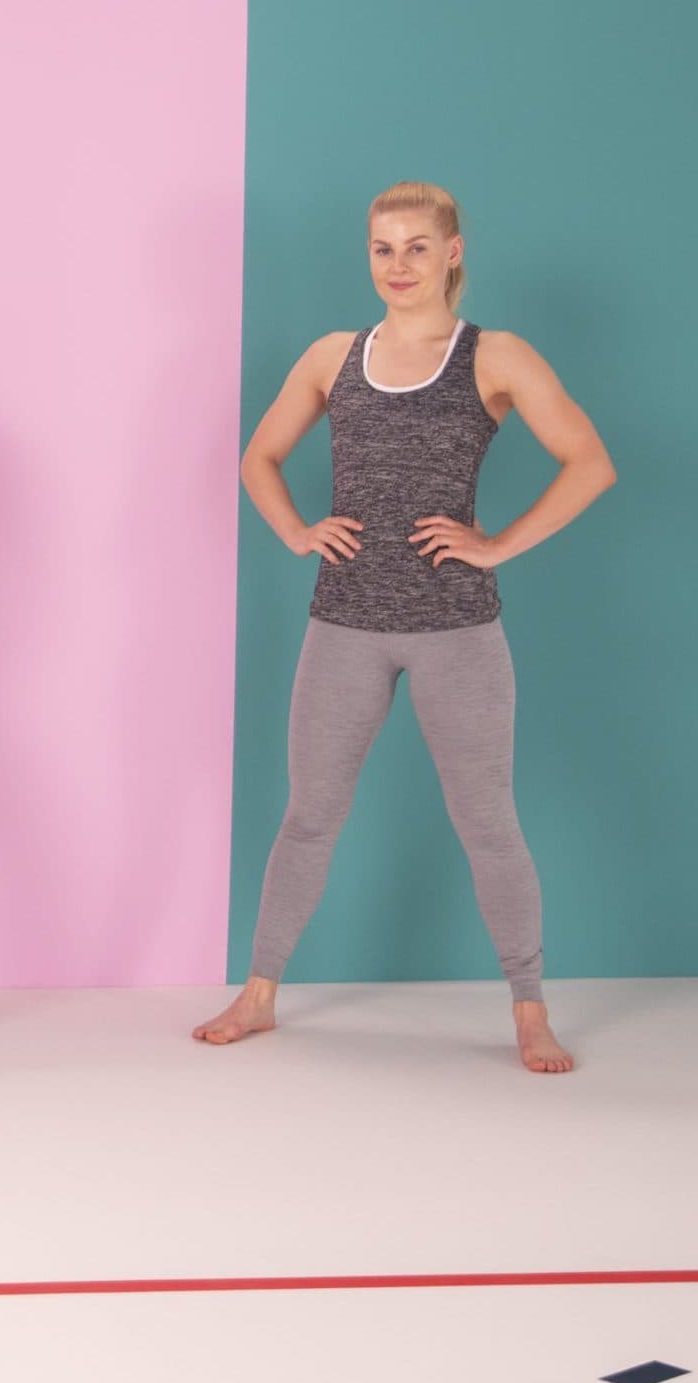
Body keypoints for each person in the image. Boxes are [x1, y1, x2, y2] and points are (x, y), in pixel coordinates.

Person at [196, 181, 615, 1073]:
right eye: (384, 248)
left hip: (457, 628)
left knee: (488, 822)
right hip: (342, 624)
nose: (399, 265)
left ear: (453, 252)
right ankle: (260, 993)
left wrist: (497, 545)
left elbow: (591, 464)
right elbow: (259, 458)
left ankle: (531, 1010)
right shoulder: (333, 354)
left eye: (418, 247)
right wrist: (298, 530)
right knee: (309, 815)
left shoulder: (494, 355)